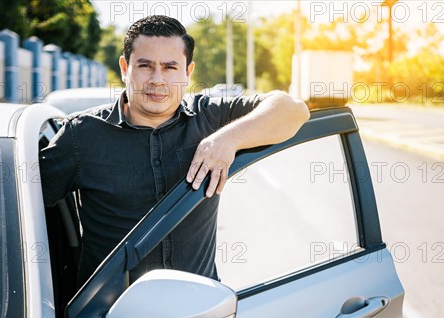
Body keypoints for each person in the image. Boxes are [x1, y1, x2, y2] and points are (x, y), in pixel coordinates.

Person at [39, 15, 310, 287]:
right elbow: (22, 210)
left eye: (170, 67)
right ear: (125, 67)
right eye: (145, 66)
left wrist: (227, 139)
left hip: (198, 313)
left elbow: (293, 110)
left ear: (187, 72)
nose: (158, 80)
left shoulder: (210, 118)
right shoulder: (81, 135)